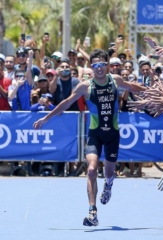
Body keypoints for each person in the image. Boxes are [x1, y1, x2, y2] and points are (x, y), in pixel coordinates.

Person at [33, 49, 147, 226]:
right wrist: (46, 118)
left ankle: (108, 184)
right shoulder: (85, 86)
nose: (99, 68)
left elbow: (133, 88)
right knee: (92, 169)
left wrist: (157, 94)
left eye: (102, 64)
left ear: (107, 65)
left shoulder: (115, 81)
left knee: (109, 173)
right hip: (95, 135)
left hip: (112, 136)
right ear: (91, 67)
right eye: (95, 65)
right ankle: (92, 212)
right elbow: (66, 103)